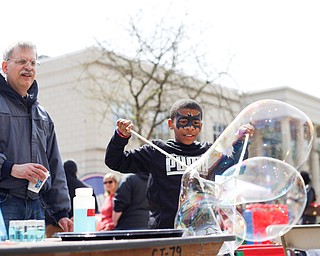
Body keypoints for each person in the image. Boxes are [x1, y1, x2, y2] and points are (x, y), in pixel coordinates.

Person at [105, 98, 255, 229]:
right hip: (166, 232)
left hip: (203, 229)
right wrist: (121, 137)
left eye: (195, 123)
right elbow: (116, 161)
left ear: (201, 126)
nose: (190, 127)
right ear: (171, 124)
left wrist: (241, 142)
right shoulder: (157, 151)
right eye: (183, 122)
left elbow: (235, 169)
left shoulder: (209, 152)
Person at [0, 41, 73, 234]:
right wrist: (11, 168)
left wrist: (61, 212)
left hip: (36, 207)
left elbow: (54, 164)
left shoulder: (42, 114)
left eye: (33, 63)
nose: (28, 67)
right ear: (5, 66)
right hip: (3, 204)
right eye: (22, 61)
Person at [45, 160, 99, 237]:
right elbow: (94, 210)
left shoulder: (58, 188)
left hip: (55, 226)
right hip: (78, 227)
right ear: (75, 171)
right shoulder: (86, 188)